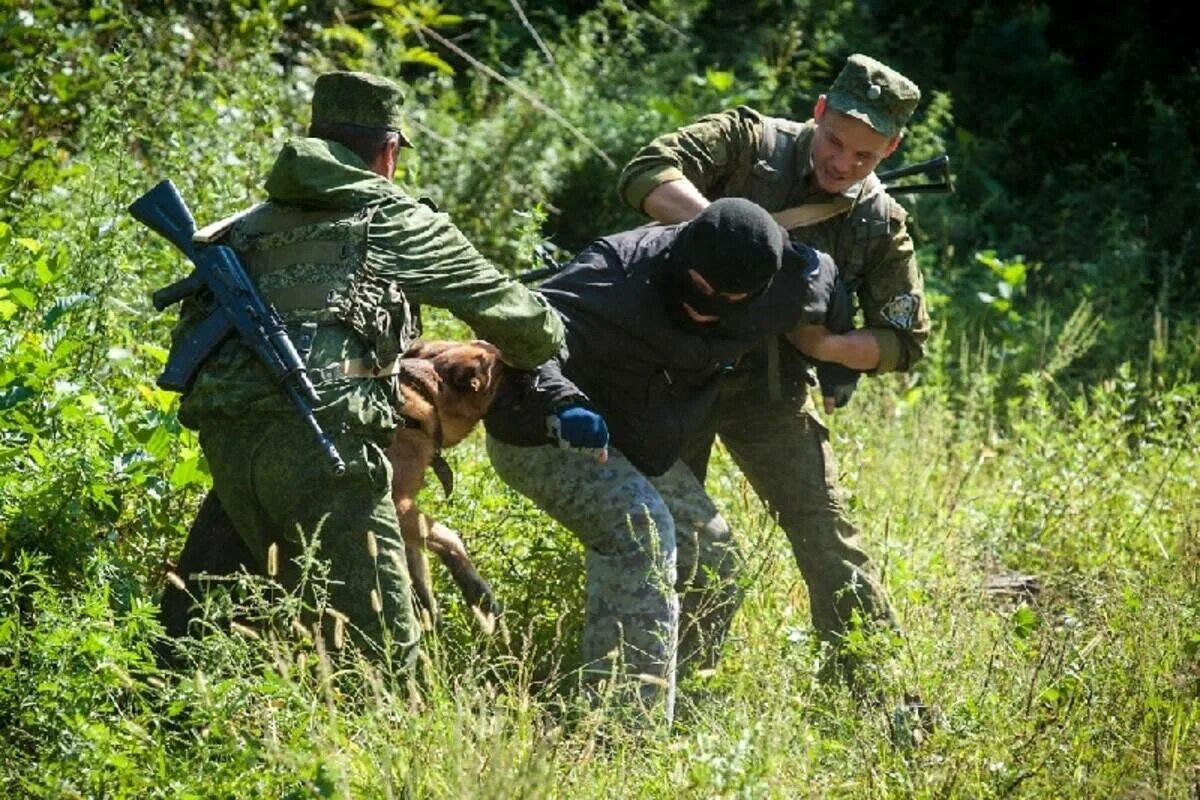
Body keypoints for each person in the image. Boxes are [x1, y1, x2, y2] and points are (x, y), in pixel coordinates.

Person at [161, 71, 564, 668]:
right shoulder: (389, 217)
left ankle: (157, 725)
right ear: (389, 151)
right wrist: (548, 339)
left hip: (227, 440)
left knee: (190, 640)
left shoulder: (248, 224)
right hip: (327, 444)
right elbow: (526, 324)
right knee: (382, 663)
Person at [616, 54, 930, 682]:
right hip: (673, 373)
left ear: (892, 148)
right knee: (671, 539)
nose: (842, 163)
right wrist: (736, 242)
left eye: (865, 156)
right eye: (835, 141)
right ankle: (659, 683)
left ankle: (874, 690)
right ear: (818, 111)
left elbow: (905, 341)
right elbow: (644, 172)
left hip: (771, 388)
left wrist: (826, 346)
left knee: (827, 537)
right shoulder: (746, 141)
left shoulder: (878, 220)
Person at [483, 198, 840, 722]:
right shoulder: (614, 273)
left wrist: (838, 369)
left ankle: (686, 708)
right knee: (642, 530)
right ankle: (623, 730)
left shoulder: (785, 283)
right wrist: (562, 400)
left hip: (632, 441)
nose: (703, 307)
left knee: (717, 563)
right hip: (543, 429)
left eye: (726, 299)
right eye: (696, 288)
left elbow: (825, 277)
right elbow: (520, 336)